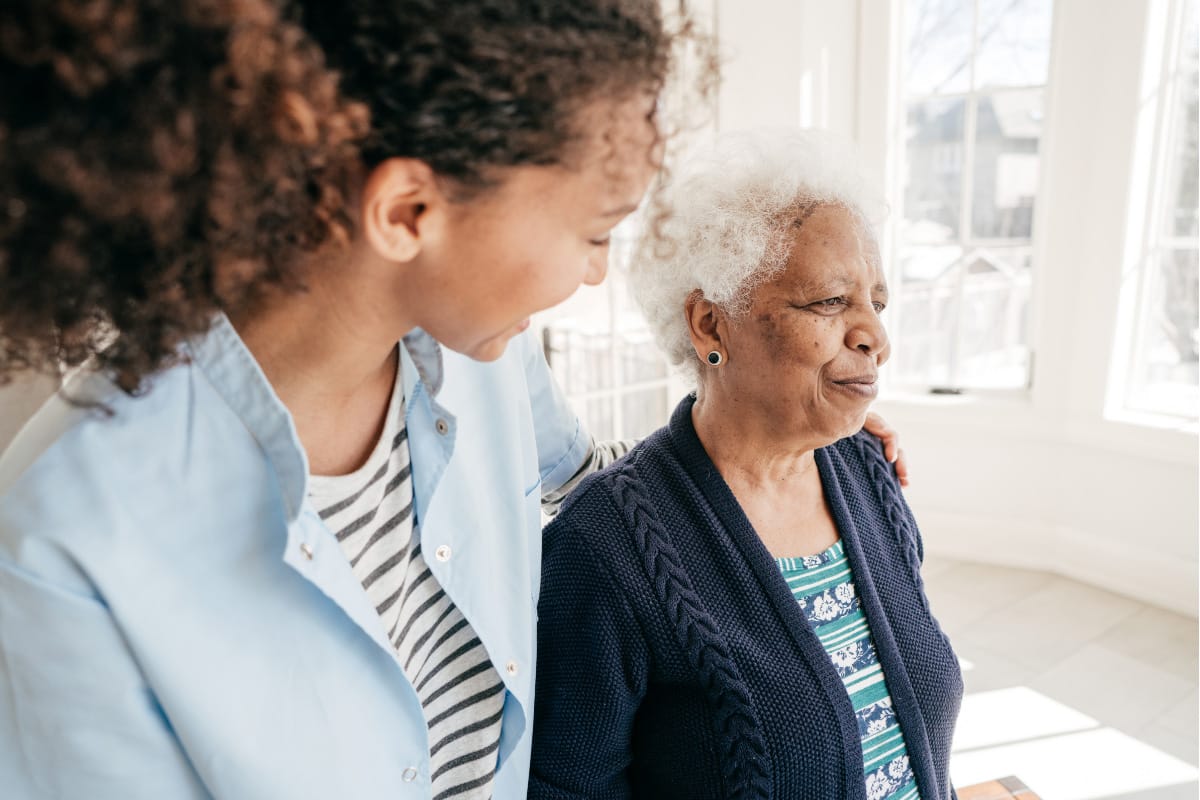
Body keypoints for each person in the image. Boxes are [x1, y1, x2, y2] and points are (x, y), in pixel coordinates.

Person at [0, 5, 905, 798]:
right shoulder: (65, 540)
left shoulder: (486, 356)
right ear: (407, 213)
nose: (596, 275)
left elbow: (596, 486)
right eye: (593, 233)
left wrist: (777, 457)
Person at [529, 130, 962, 800]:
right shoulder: (600, 551)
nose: (875, 335)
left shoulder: (868, 470)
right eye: (828, 301)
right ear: (710, 325)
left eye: (875, 301)